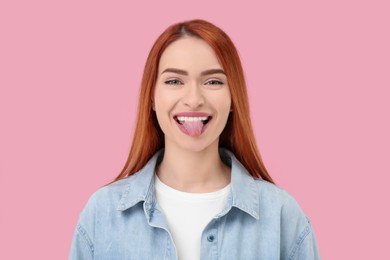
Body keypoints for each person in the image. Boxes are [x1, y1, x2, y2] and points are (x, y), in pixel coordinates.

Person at [69, 19, 320, 260]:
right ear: (153, 97)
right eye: (174, 81)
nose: (194, 99)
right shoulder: (102, 214)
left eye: (213, 81)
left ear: (233, 97)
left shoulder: (282, 216)